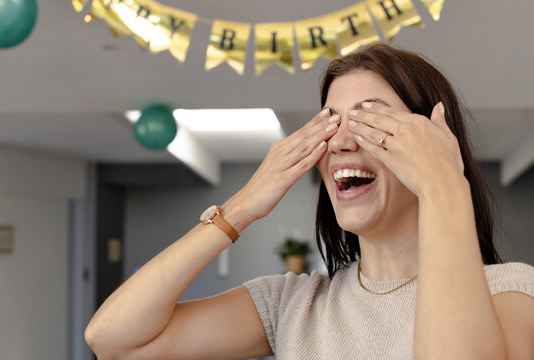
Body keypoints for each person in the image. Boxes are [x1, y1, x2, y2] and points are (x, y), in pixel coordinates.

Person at [85, 43, 534, 359]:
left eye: (369, 119)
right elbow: (113, 339)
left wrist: (443, 183)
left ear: (434, 141)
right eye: (329, 122)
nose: (338, 141)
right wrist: (241, 206)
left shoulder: (510, 291)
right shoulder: (293, 306)